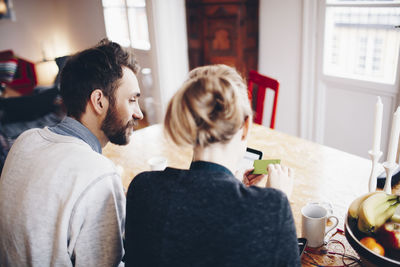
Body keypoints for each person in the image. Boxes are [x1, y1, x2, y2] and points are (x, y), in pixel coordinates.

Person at [124, 64, 300, 267]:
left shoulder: (143, 188)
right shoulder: (271, 208)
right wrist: (278, 202)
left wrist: (234, 186)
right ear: (246, 126)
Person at [0, 39, 143, 266]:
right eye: (132, 100)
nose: (139, 114)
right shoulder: (99, 174)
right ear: (98, 101)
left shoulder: (24, 140)